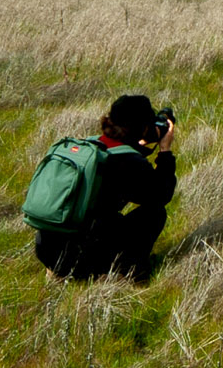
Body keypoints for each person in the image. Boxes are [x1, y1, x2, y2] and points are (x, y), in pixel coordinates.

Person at [32, 94, 179, 282]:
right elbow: (161, 194)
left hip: (47, 251)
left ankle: (58, 272)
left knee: (96, 220)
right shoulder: (128, 162)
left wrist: (138, 147)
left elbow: (117, 161)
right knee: (154, 213)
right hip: (82, 258)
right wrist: (165, 151)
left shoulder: (90, 146)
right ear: (143, 128)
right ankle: (120, 272)